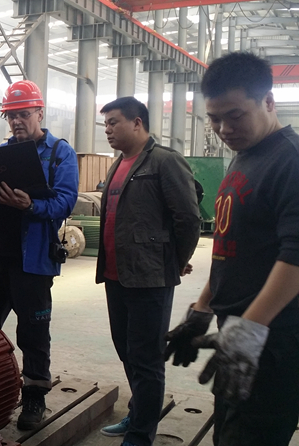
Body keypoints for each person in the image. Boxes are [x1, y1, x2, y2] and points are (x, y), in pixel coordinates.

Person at [164, 52, 299, 446]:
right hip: (239, 332)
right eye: (214, 118)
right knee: (228, 433)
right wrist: (203, 309)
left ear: (268, 102)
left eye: (235, 115)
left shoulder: (289, 161)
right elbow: (231, 248)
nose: (224, 128)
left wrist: (249, 330)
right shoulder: (245, 158)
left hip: (274, 339)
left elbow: (296, 254)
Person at [0, 80, 79, 430]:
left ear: (39, 113)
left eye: (24, 114)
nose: (17, 121)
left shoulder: (59, 153)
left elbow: (65, 201)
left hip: (32, 261)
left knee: (33, 331)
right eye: (11, 115)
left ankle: (34, 395)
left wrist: (30, 205)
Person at [96, 97, 201, 446]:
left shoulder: (164, 161)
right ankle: (139, 413)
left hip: (149, 278)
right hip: (116, 276)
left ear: (137, 122)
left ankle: (141, 435)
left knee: (147, 358)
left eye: (113, 122)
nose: (108, 130)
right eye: (106, 124)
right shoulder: (117, 165)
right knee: (126, 350)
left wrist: (174, 261)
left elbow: (188, 218)